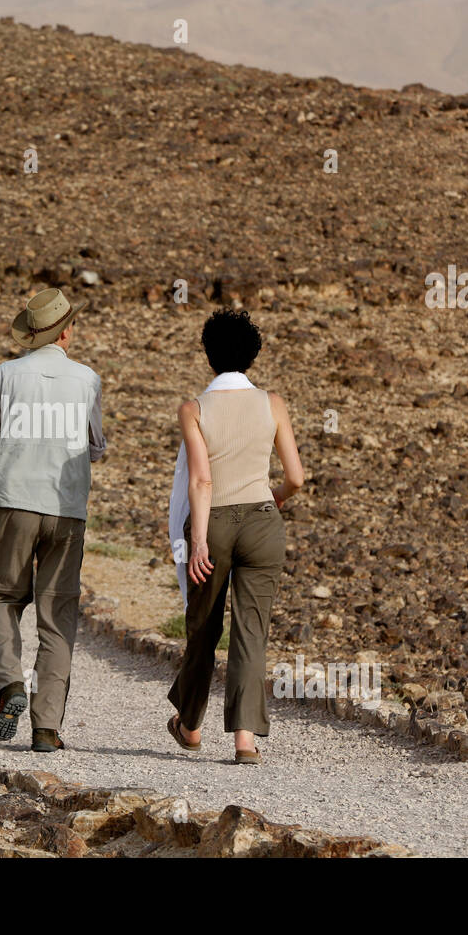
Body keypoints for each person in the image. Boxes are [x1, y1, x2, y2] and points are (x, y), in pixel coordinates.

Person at [0, 288, 106, 752]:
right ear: (65, 332)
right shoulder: (87, 380)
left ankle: (10, 686)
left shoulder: (5, 375)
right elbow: (96, 447)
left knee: (2, 597)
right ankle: (46, 728)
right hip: (66, 509)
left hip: (11, 502)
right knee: (57, 615)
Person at [166, 308, 304, 763]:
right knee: (252, 631)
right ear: (252, 354)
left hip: (216, 523)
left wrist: (199, 543)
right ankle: (245, 739)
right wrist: (274, 498)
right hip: (263, 521)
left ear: (208, 355)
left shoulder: (193, 410)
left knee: (204, 627)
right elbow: (296, 478)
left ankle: (190, 725)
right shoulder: (273, 403)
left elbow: (201, 481)